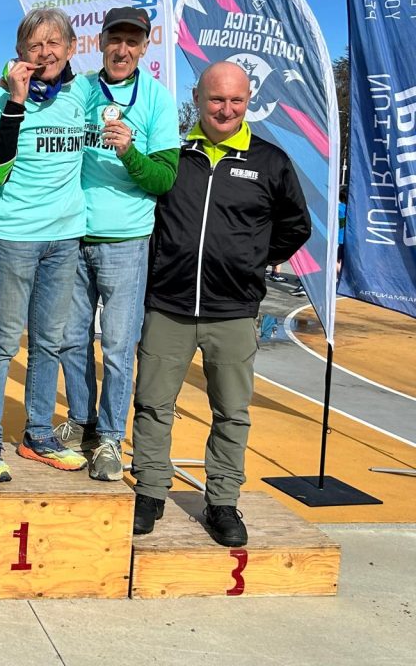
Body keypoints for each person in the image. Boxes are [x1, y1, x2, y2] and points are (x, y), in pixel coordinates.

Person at [130, 61, 311, 547]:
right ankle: (149, 492)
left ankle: (223, 502)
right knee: (152, 404)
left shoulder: (270, 162)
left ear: (248, 101)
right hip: (168, 305)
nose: (226, 109)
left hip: (233, 310)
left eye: (236, 100)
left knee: (231, 411)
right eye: (216, 99)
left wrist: (249, 261)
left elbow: (296, 226)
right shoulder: (173, 156)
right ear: (197, 98)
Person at [55, 7, 180, 481]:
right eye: (115, 39)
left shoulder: (157, 99)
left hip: (126, 240)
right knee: (71, 339)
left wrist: (129, 151)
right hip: (72, 233)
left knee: (118, 346)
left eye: (132, 41)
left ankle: (109, 436)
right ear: (100, 41)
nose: (122, 50)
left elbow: (164, 179)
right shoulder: (81, 89)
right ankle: (82, 422)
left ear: (145, 47)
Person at [0, 8, 88, 483]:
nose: (45, 52)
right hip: (16, 235)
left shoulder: (81, 96)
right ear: (20, 53)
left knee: (49, 342)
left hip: (65, 235)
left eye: (54, 43)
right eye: (34, 45)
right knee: (1, 340)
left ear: (71, 48)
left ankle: (38, 434)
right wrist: (16, 100)